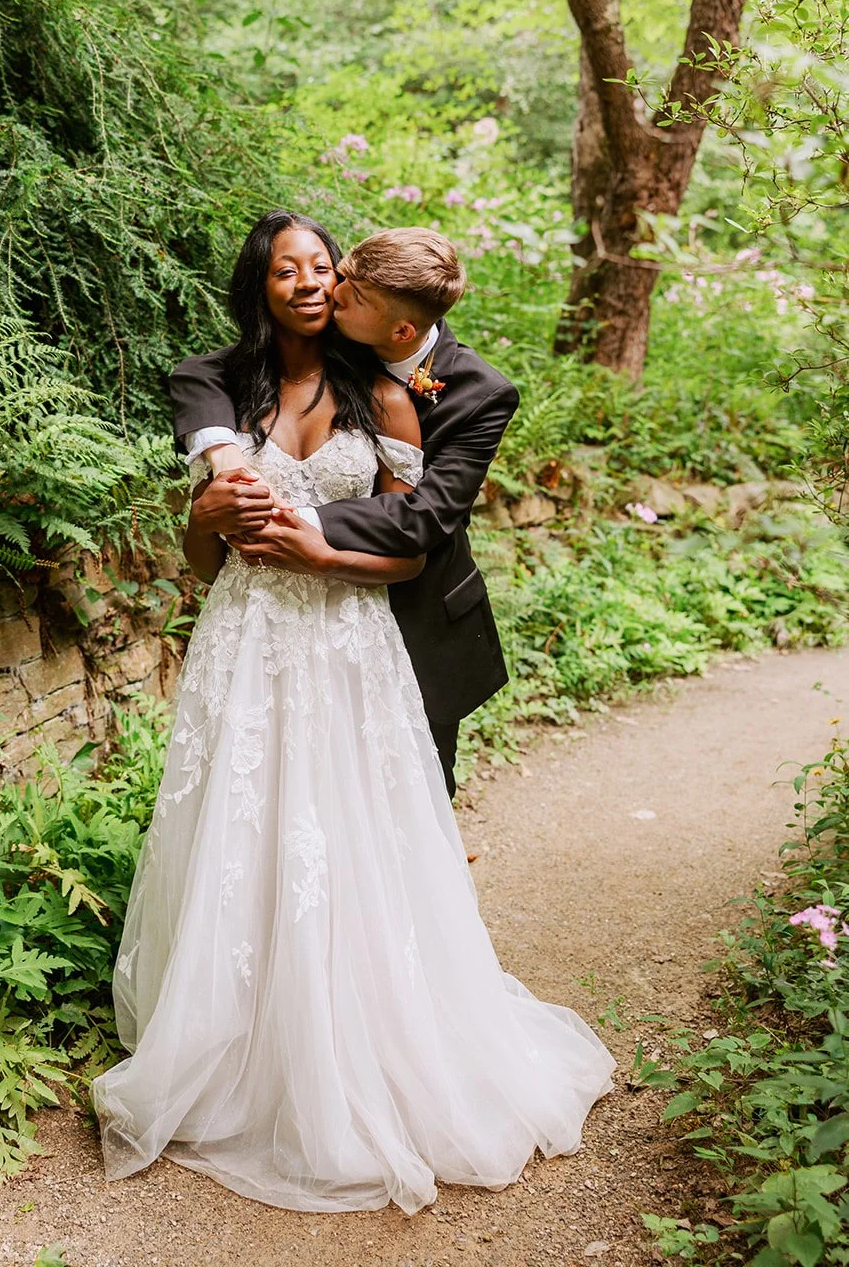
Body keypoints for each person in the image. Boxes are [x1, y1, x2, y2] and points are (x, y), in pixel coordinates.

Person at [92, 211, 614, 1214]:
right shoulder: (214, 381)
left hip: (365, 632)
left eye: (321, 266)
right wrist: (205, 516)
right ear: (259, 279)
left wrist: (318, 545)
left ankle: (371, 1028)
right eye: (285, 267)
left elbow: (420, 530)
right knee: (247, 826)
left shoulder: (390, 389)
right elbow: (210, 543)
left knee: (371, 831)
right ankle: (241, 1031)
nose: (307, 281)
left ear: (351, 288)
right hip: (246, 641)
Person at [170, 222, 520, 797]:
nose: (324, 290)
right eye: (291, 271)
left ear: (400, 329)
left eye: (337, 282)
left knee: (405, 802)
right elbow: (201, 373)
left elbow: (420, 524)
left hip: (409, 616)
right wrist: (216, 489)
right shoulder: (243, 388)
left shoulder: (471, 394)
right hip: (259, 635)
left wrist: (297, 528)